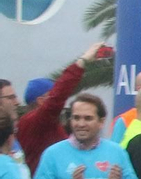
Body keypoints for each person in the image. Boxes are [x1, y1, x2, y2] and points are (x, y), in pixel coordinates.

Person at [16, 43, 98, 172]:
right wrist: (82, 61)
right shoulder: (37, 120)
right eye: (52, 94)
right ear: (41, 101)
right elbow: (59, 95)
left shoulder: (31, 122)